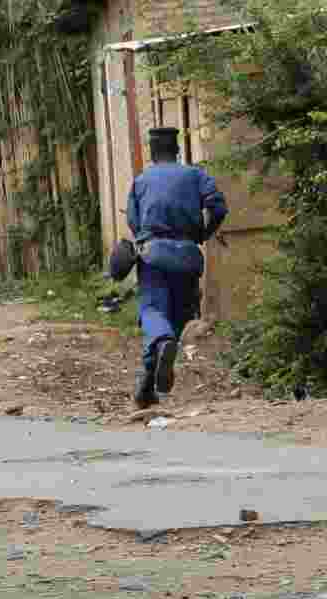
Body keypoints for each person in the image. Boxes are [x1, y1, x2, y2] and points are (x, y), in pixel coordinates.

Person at [127, 127, 228, 408]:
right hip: (187, 256)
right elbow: (218, 206)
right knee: (179, 315)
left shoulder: (141, 181)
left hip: (154, 256)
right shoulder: (195, 175)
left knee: (152, 311)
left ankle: (161, 344)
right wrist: (202, 234)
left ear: (152, 151)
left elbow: (134, 223)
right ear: (177, 150)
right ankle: (147, 385)